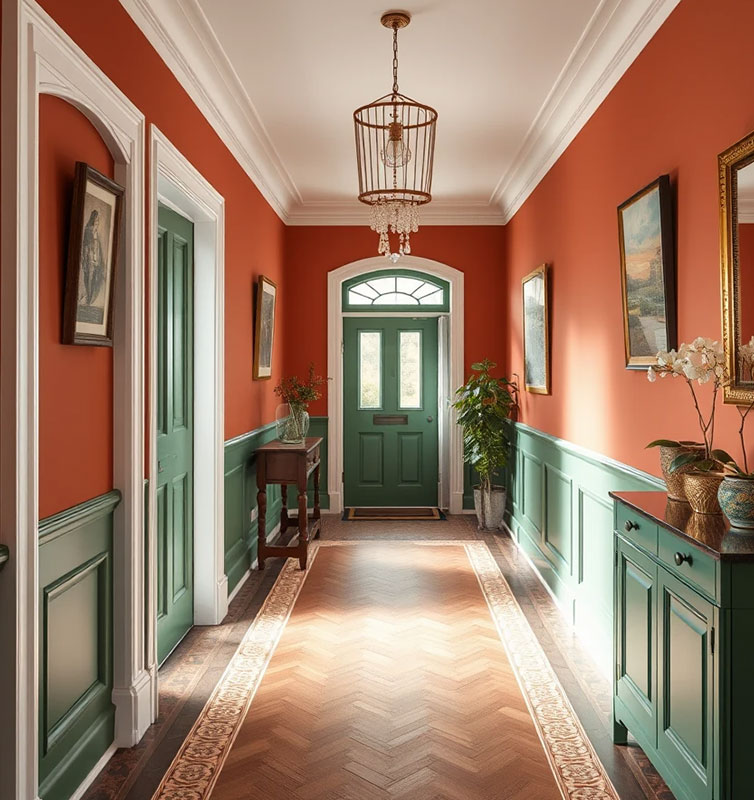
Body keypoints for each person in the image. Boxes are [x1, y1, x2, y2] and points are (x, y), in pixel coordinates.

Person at [80, 208, 105, 307]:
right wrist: (85, 260)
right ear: (93, 219)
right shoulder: (88, 230)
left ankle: (90, 299)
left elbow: (97, 247)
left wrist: (98, 259)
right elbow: (86, 246)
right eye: (96, 220)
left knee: (93, 279)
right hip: (89, 259)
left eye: (98, 220)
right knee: (88, 278)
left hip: (95, 259)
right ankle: (88, 299)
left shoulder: (96, 232)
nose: (97, 222)